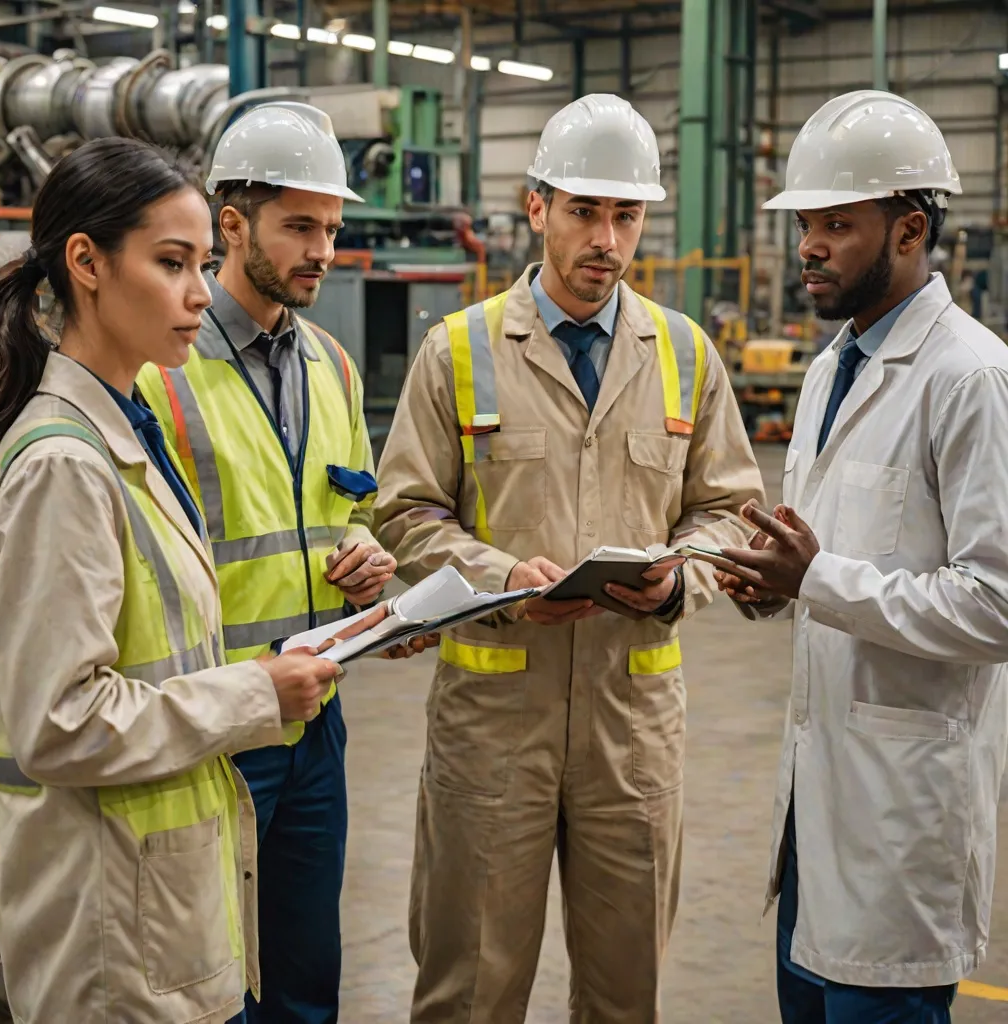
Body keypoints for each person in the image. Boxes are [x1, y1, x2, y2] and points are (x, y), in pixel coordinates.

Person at [374, 92, 766, 1023]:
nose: (607, 238)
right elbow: (405, 511)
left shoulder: (684, 354)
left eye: (625, 214)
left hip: (630, 732)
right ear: (537, 204)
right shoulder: (458, 351)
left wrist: (681, 578)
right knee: (469, 988)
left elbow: (731, 513)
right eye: (585, 210)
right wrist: (502, 579)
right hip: (491, 729)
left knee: (628, 994)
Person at [0, 137, 345, 1023]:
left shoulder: (127, 426)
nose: (197, 294)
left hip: (157, 891)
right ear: (87, 263)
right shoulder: (65, 463)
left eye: (203, 264)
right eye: (172, 263)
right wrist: (254, 694)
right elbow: (60, 723)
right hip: (109, 923)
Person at [712, 90, 1008, 1024]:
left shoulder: (972, 377)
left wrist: (820, 581)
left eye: (837, 225)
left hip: (899, 820)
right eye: (806, 224)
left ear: (910, 229)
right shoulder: (829, 370)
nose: (808, 246)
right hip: (815, 816)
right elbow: (829, 561)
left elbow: (995, 604)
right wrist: (774, 588)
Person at [136, 101, 394, 1024]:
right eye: (300, 227)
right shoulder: (159, 366)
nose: (322, 249)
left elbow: (351, 507)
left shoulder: (332, 363)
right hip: (213, 725)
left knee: (303, 979)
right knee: (209, 985)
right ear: (231, 225)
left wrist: (366, 553)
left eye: (331, 227)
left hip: (316, 719)